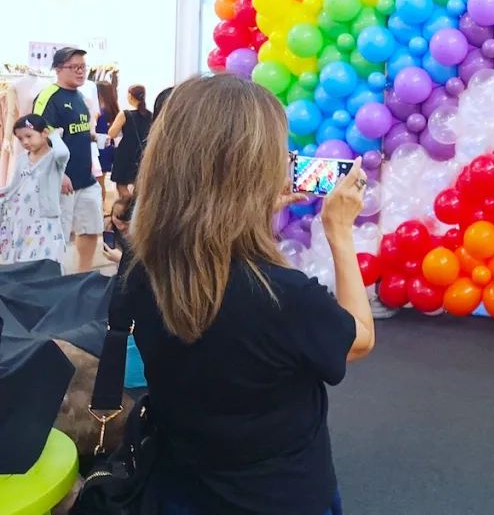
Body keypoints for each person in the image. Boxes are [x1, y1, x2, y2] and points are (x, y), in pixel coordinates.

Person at [124, 75, 375, 514]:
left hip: (177, 483)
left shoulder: (140, 272)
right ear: (253, 172)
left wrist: (256, 209)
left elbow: (206, 245)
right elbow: (359, 337)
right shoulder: (283, 296)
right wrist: (339, 232)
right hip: (280, 495)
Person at [33, 47, 103, 273]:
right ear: (58, 69)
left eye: (83, 67)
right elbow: (38, 138)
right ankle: (55, 280)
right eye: (75, 67)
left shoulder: (81, 97)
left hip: (85, 178)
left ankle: (82, 275)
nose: (81, 72)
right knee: (57, 234)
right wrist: (59, 173)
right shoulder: (49, 97)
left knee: (91, 228)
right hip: (61, 182)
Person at [0, 114, 69, 266]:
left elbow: (63, 153)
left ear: (44, 133)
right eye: (20, 138)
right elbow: (15, 186)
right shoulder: (21, 159)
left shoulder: (53, 158)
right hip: (21, 217)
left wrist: (55, 136)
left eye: (29, 136)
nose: (25, 142)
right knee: (21, 260)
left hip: (45, 218)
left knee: (44, 260)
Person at [108, 84, 153, 200]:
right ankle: (135, 209)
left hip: (125, 152)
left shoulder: (125, 114)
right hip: (143, 152)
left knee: (121, 185)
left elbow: (112, 133)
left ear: (130, 96)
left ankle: (126, 209)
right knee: (139, 185)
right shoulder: (150, 115)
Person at [95, 81, 119, 206]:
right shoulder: (114, 111)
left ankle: (100, 208)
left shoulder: (99, 112)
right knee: (101, 181)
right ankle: (102, 208)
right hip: (108, 147)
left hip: (100, 149)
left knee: (98, 183)